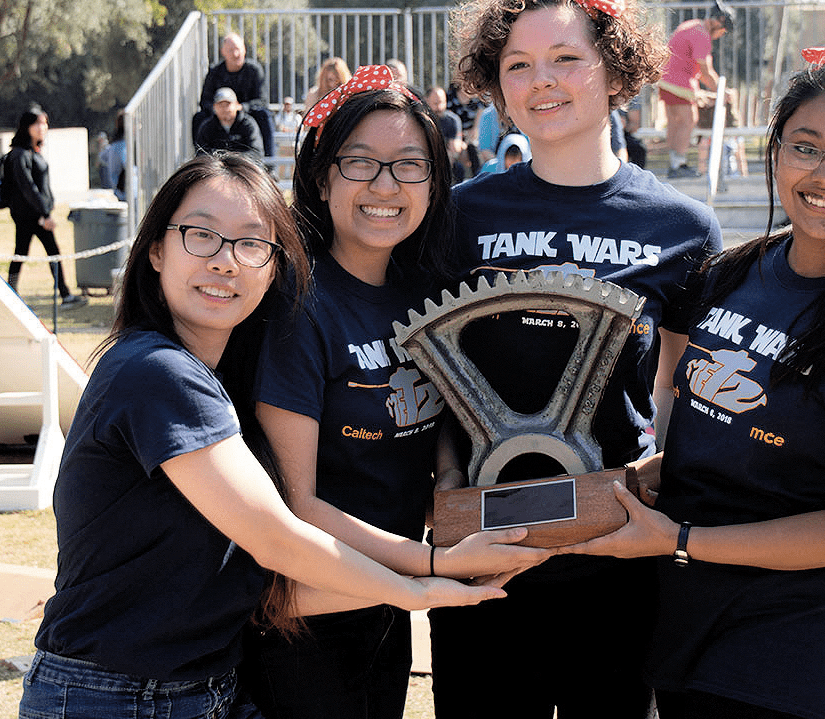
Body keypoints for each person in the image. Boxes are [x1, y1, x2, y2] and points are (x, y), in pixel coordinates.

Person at [17, 151, 506, 719]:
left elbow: (266, 591)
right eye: (201, 235)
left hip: (207, 692)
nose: (226, 262)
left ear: (274, 268)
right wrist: (426, 575)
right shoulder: (155, 374)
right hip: (109, 698)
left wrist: (448, 577)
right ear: (154, 250)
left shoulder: (220, 385)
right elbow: (277, 538)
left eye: (251, 244)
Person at [564, 48, 825, 719]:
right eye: (806, 146)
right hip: (692, 624)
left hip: (796, 653)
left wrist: (679, 540)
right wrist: (657, 474)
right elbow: (717, 422)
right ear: (776, 154)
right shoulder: (736, 273)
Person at [428, 0, 723, 718]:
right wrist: (445, 487)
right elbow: (427, 371)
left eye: (566, 58)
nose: (541, 81)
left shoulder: (682, 230)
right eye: (518, 65)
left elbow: (681, 389)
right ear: (495, 84)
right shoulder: (460, 216)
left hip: (617, 560)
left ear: (616, 70)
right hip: (485, 557)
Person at [239, 66, 552, 719]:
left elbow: (430, 410)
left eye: (409, 165)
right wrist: (432, 563)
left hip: (380, 612)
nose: (386, 185)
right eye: (362, 163)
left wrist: (445, 474)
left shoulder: (423, 296)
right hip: (304, 622)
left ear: (435, 183)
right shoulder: (299, 304)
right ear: (323, 178)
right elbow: (297, 506)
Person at [3, 105, 87, 308]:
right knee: (40, 252)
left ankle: (12, 295)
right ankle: (63, 294)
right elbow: (27, 188)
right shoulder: (20, 155)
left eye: (45, 123)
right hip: (30, 215)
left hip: (35, 214)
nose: (42, 127)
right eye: (37, 123)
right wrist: (43, 213)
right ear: (27, 126)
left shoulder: (33, 151)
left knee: (24, 252)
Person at [658, 0, 734, 178]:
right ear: (719, 21)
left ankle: (674, 163)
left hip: (666, 79)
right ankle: (679, 165)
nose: (722, 34)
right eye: (725, 30)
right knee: (688, 121)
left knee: (675, 123)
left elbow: (699, 72)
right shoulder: (702, 35)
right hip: (680, 83)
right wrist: (722, 91)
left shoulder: (690, 25)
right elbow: (706, 73)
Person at [194, 32, 276, 156]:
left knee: (264, 114)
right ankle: (200, 161)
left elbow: (262, 100)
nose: (235, 54)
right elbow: (205, 100)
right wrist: (219, 110)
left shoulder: (254, 70)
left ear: (244, 49)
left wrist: (241, 107)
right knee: (199, 118)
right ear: (223, 52)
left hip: (246, 115)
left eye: (238, 49)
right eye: (231, 50)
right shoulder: (215, 72)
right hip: (219, 117)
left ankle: (270, 165)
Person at [194, 87, 265, 160]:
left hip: (242, 166)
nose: (225, 109)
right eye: (221, 105)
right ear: (214, 107)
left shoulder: (248, 124)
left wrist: (233, 159)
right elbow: (201, 153)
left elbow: (256, 152)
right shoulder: (207, 127)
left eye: (228, 104)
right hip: (216, 167)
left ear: (237, 105)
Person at [426, 85, 467, 183]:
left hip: (446, 160)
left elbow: (455, 149)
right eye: (435, 103)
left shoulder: (452, 120)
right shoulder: (421, 120)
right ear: (426, 102)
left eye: (442, 103)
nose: (439, 107)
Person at [98, 110, 127, 201]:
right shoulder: (122, 147)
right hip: (126, 193)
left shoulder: (115, 146)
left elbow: (102, 157)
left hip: (119, 192)